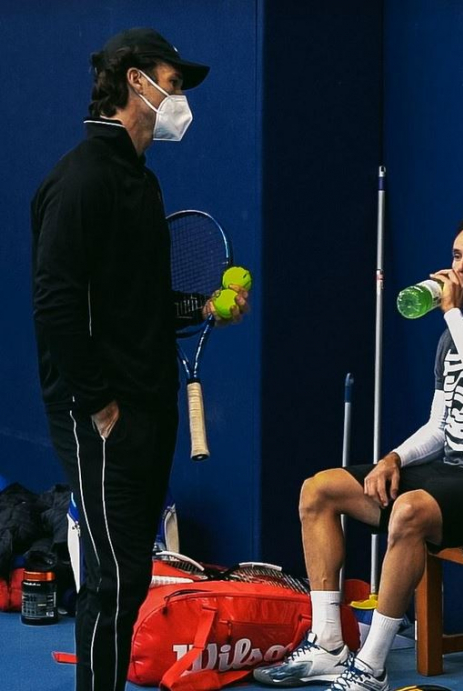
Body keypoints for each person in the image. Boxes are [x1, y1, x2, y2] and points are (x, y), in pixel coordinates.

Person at [31, 28, 248, 691]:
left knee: (129, 572)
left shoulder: (143, 184)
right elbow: (57, 306)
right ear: (136, 81)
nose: (179, 99)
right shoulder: (78, 183)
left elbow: (142, 299)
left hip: (150, 408)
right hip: (101, 415)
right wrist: (100, 402)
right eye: (173, 83)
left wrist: (202, 309)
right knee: (113, 577)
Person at [254, 214, 463, 691]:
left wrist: (453, 314)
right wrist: (392, 458)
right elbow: (439, 427)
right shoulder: (449, 339)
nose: (462, 269)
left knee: (408, 511)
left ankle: (371, 667)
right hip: (450, 474)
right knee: (319, 490)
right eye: (457, 256)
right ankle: (329, 644)